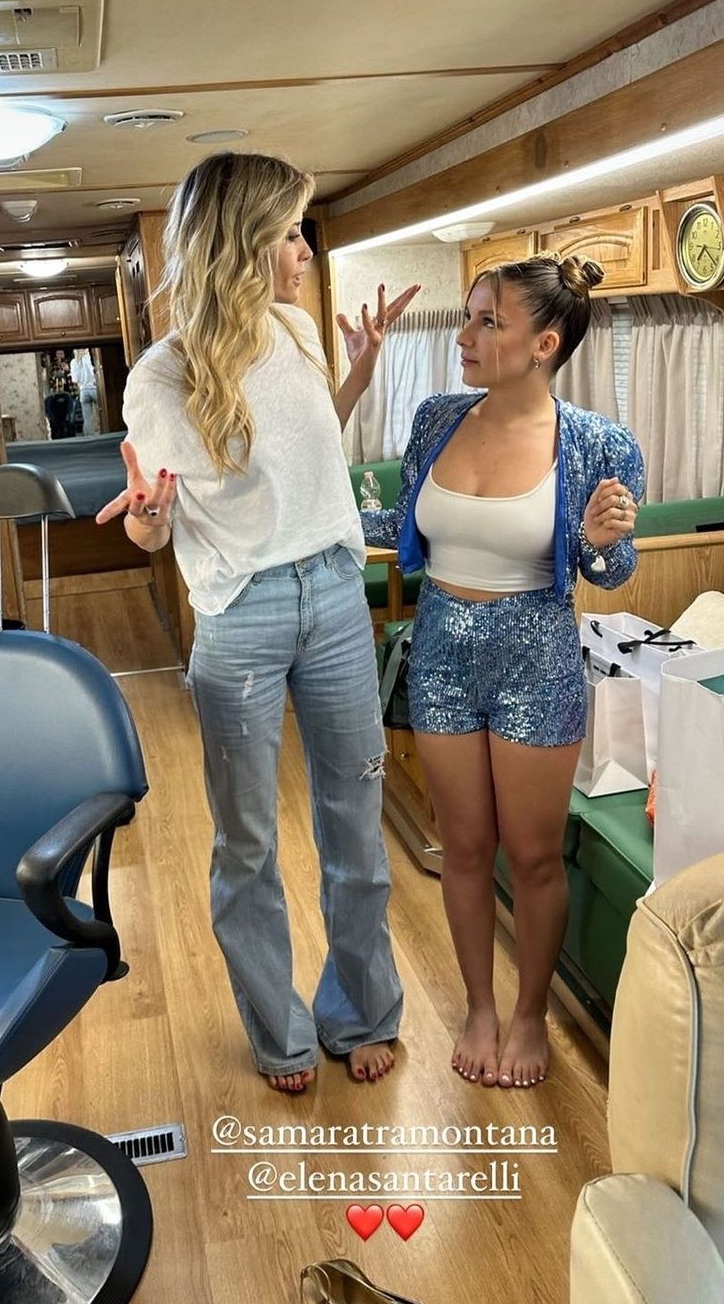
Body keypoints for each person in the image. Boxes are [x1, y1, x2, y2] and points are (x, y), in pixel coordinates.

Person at [96, 151, 419, 1093]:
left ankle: (361, 1010)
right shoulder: (161, 376)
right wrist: (149, 519)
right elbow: (155, 524)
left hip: (335, 593)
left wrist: (360, 371)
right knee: (247, 842)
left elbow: (307, 445)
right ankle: (280, 1032)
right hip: (240, 612)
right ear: (238, 245)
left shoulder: (298, 329)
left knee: (355, 823)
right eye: (286, 233)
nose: (304, 251)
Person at [362, 254, 645, 1089]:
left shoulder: (598, 443)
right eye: (469, 315)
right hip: (440, 651)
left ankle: (528, 1016)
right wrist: (314, 517)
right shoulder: (436, 419)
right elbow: (401, 523)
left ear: (544, 344)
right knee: (463, 848)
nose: (465, 335)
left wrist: (599, 540)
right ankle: (481, 1008)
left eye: (489, 321)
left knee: (533, 856)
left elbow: (611, 569)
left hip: (537, 658)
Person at [70, 349, 98, 435]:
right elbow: (93, 373)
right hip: (94, 388)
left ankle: (90, 437)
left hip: (83, 391)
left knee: (87, 418)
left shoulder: (74, 362)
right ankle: (101, 433)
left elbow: (75, 379)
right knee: (99, 414)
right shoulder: (89, 358)